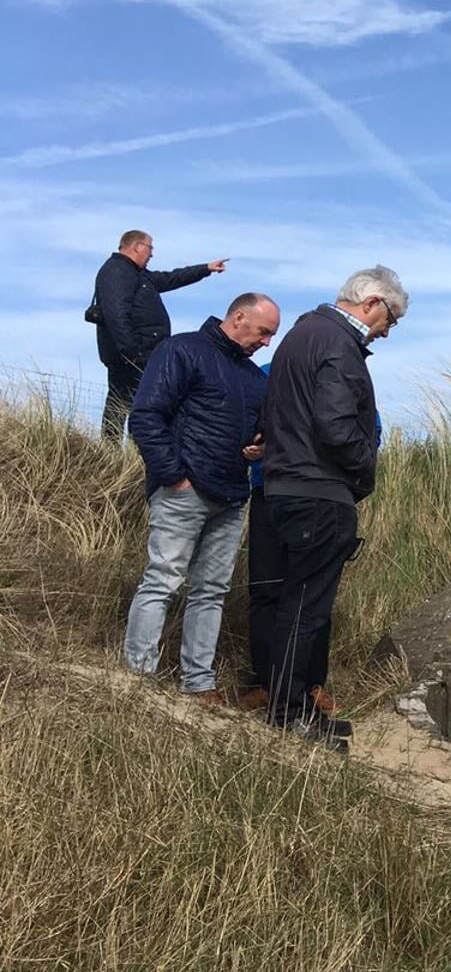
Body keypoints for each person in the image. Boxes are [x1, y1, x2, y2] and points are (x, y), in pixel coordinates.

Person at [255, 266, 408, 745]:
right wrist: (364, 472)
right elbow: (336, 424)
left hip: (282, 486)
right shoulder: (339, 345)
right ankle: (291, 712)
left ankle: (291, 705)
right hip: (318, 490)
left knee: (289, 602)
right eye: (392, 319)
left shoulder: (301, 336)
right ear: (373, 304)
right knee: (307, 607)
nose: (387, 331)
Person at [123, 293, 278, 703]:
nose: (266, 343)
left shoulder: (256, 379)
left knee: (211, 590)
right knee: (162, 580)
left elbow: (259, 432)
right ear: (239, 317)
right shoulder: (181, 349)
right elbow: (144, 416)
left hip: (230, 496)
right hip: (183, 491)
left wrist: (259, 447)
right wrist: (174, 476)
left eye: (271, 336)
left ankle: (199, 684)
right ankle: (137, 681)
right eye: (263, 332)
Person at [91, 230, 227, 439]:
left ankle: (134, 450)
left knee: (137, 402)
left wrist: (205, 269)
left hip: (142, 353)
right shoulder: (118, 271)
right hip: (131, 356)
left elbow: (170, 278)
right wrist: (132, 352)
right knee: (125, 402)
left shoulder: (138, 274)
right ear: (137, 246)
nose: (152, 254)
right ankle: (115, 449)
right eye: (150, 248)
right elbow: (116, 314)